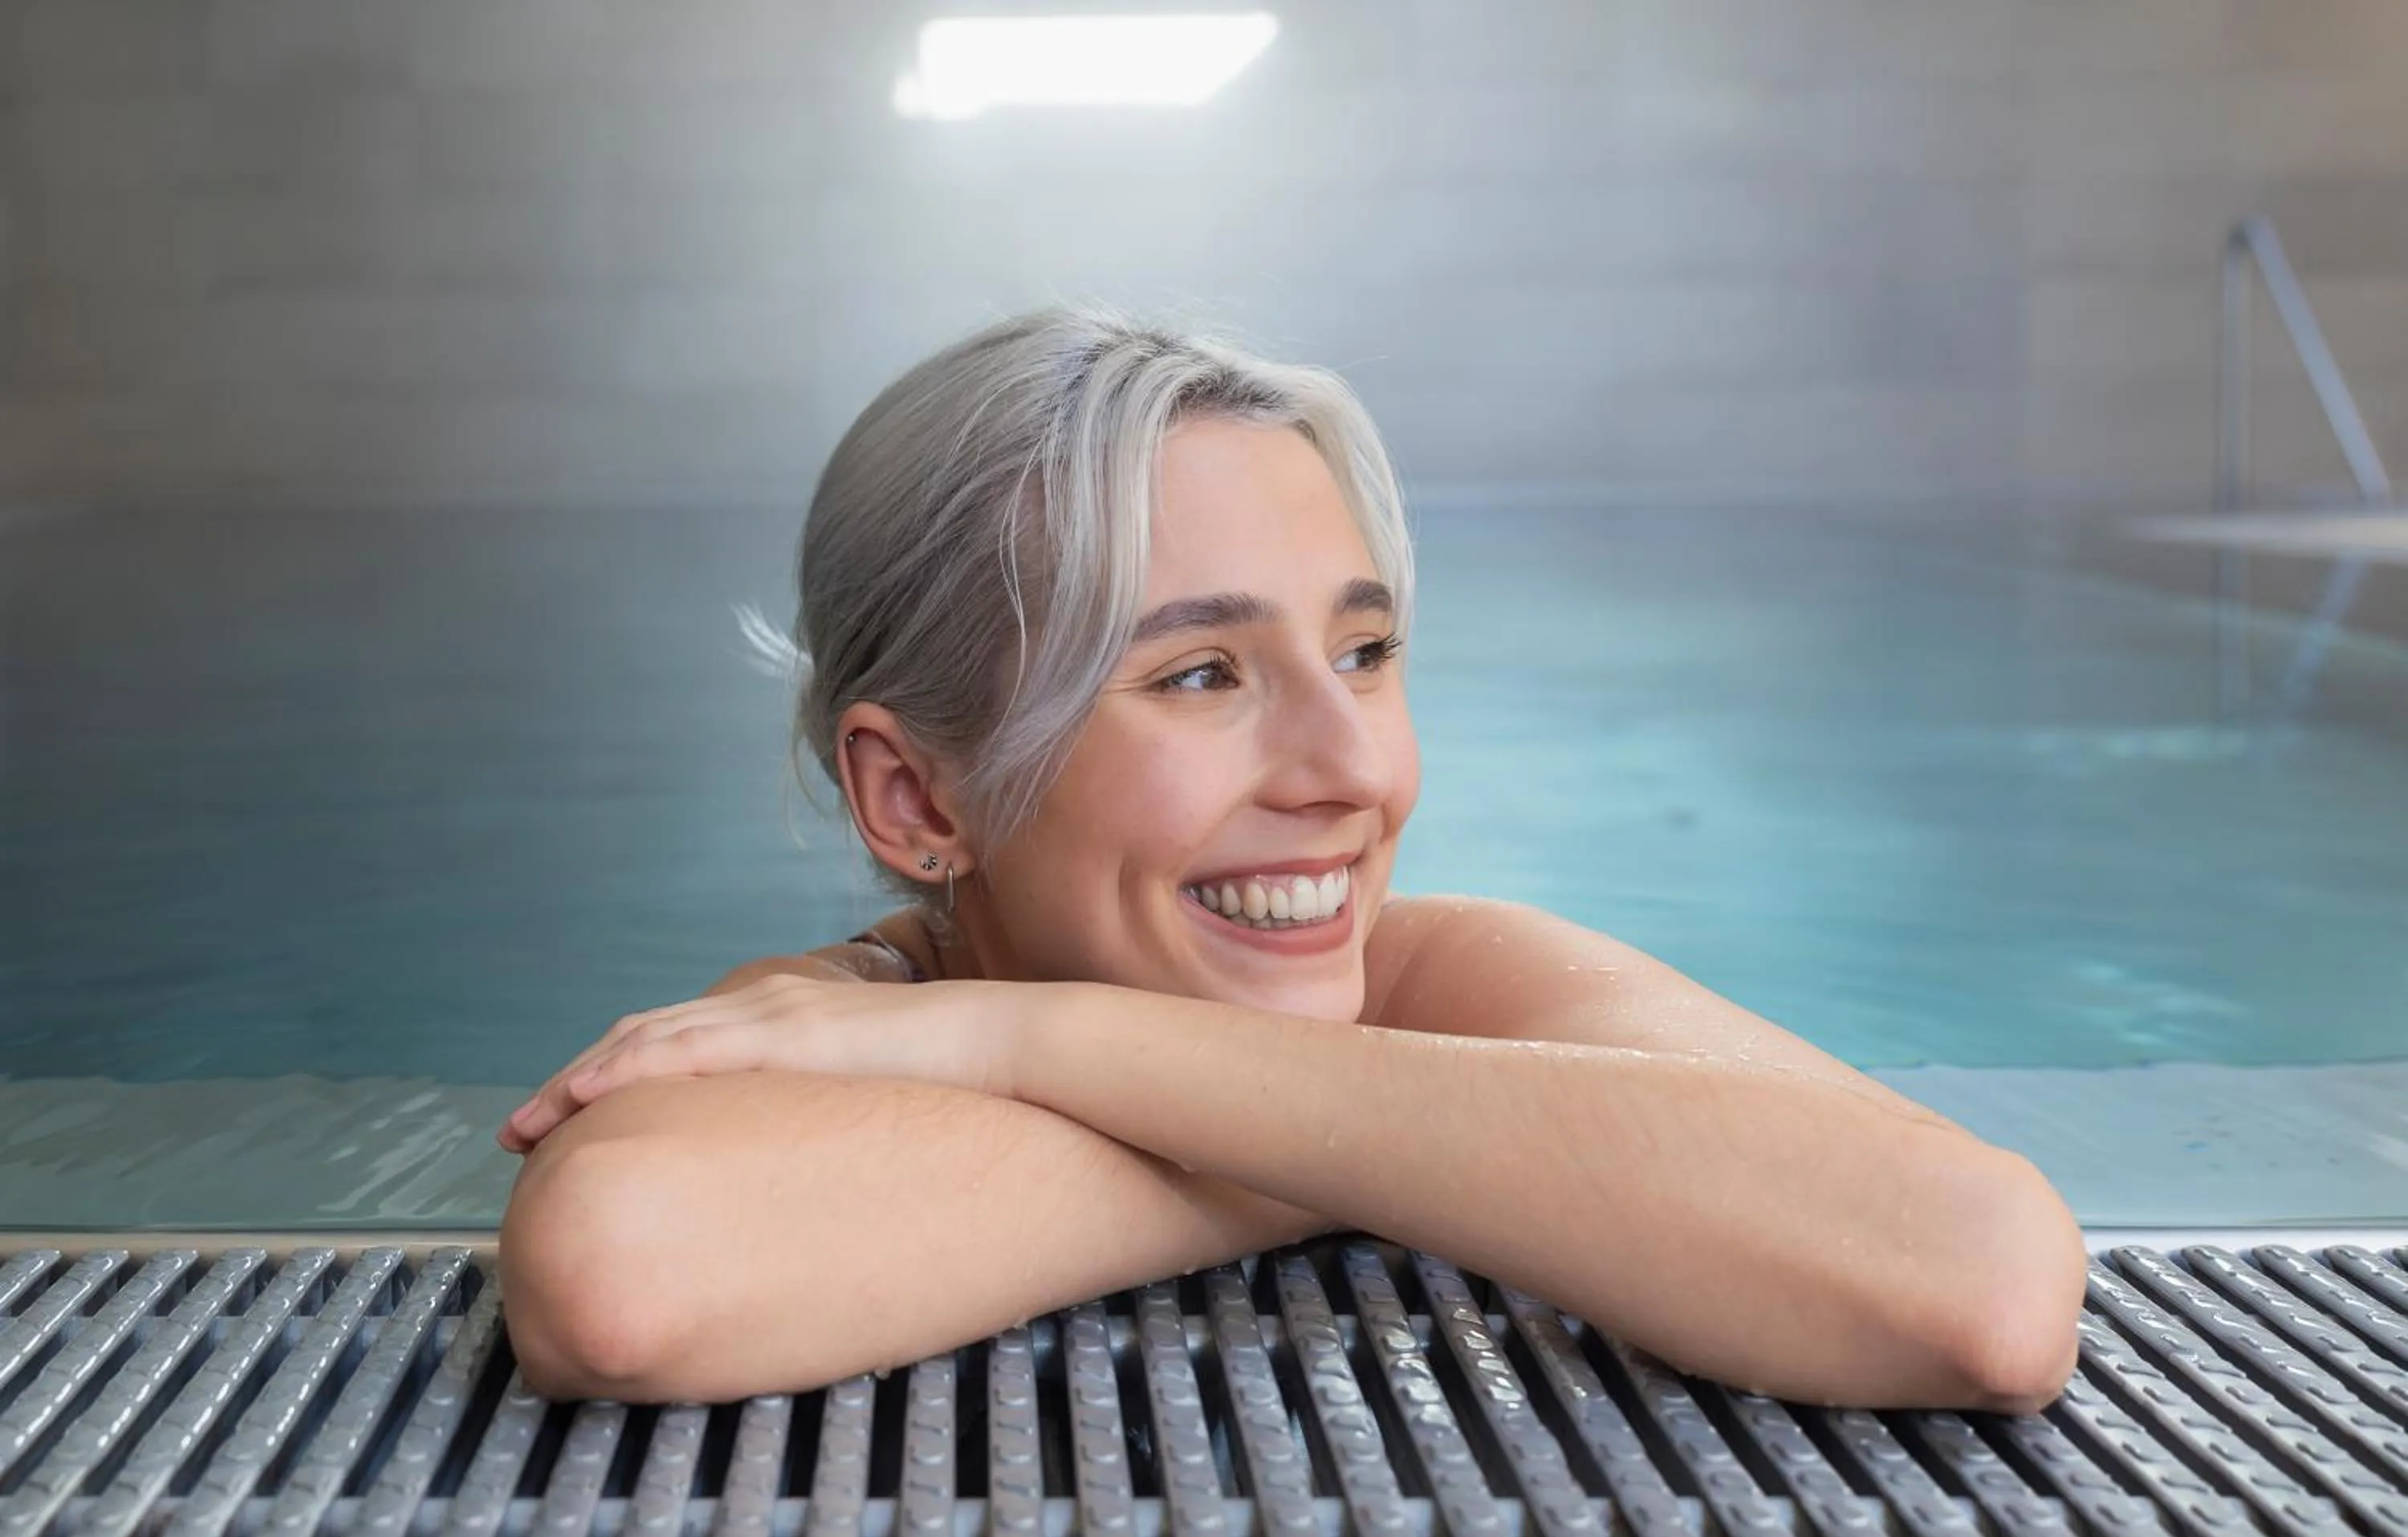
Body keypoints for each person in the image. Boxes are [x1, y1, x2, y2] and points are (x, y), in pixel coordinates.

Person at [494, 307, 2088, 1411]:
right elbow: (620, 1278)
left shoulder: (1433, 970)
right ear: (917, 802)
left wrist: (1033, 1037)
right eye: (1202, 673)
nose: (1354, 771)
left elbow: (1986, 1282)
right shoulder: (830, 1016)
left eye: (1369, 650)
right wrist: (1430, 1151)